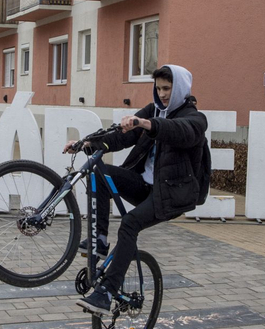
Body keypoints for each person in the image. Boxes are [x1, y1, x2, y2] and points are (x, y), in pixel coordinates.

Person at [63, 65, 207, 315]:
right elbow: (120, 137)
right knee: (101, 171)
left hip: (171, 196)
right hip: (144, 186)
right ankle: (100, 240)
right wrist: (84, 144)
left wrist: (148, 124)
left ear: (180, 89)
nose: (162, 93)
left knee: (130, 223)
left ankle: (106, 292)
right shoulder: (153, 111)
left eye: (167, 88)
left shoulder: (194, 119)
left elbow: (179, 132)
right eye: (159, 88)